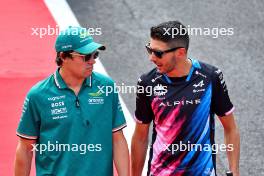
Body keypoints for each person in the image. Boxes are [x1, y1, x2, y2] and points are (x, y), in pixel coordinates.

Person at [14, 26, 129, 176]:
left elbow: (118, 139)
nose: (92, 61)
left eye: (95, 55)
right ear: (63, 56)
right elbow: (25, 148)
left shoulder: (106, 87)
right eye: (86, 56)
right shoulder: (38, 95)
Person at [131, 21, 240, 176]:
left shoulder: (210, 77)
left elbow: (231, 128)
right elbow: (140, 136)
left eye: (158, 53)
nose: (151, 58)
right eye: (149, 49)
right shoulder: (147, 82)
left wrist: (234, 171)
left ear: (180, 52)